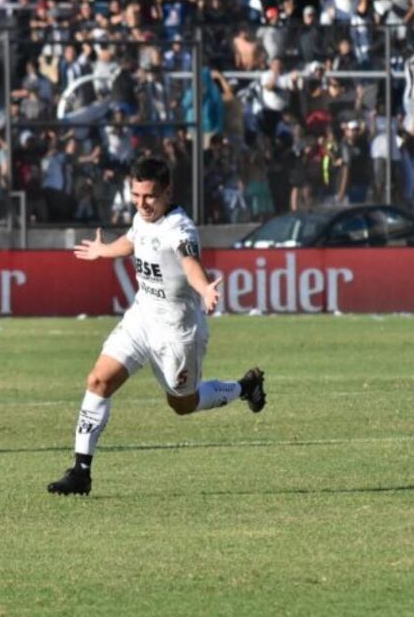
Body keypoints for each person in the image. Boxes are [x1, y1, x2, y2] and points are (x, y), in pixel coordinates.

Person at [47, 157, 267, 496]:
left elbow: (190, 263)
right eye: (136, 195)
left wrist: (205, 287)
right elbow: (134, 239)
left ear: (167, 192)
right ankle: (80, 471)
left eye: (149, 196)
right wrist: (104, 250)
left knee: (182, 404)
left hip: (177, 332)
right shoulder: (142, 216)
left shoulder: (180, 228)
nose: (141, 203)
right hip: (142, 318)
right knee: (98, 379)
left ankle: (245, 387)